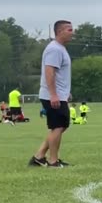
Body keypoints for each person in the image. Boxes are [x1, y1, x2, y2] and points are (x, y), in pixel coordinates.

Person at [30, 20, 74, 167]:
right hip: (52, 95)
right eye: (69, 29)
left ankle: (39, 156)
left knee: (62, 125)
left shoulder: (60, 49)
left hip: (59, 94)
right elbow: (50, 72)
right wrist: (54, 94)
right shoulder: (54, 49)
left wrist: (66, 92)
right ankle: (53, 161)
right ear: (59, 31)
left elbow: (61, 74)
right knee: (58, 126)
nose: (72, 32)